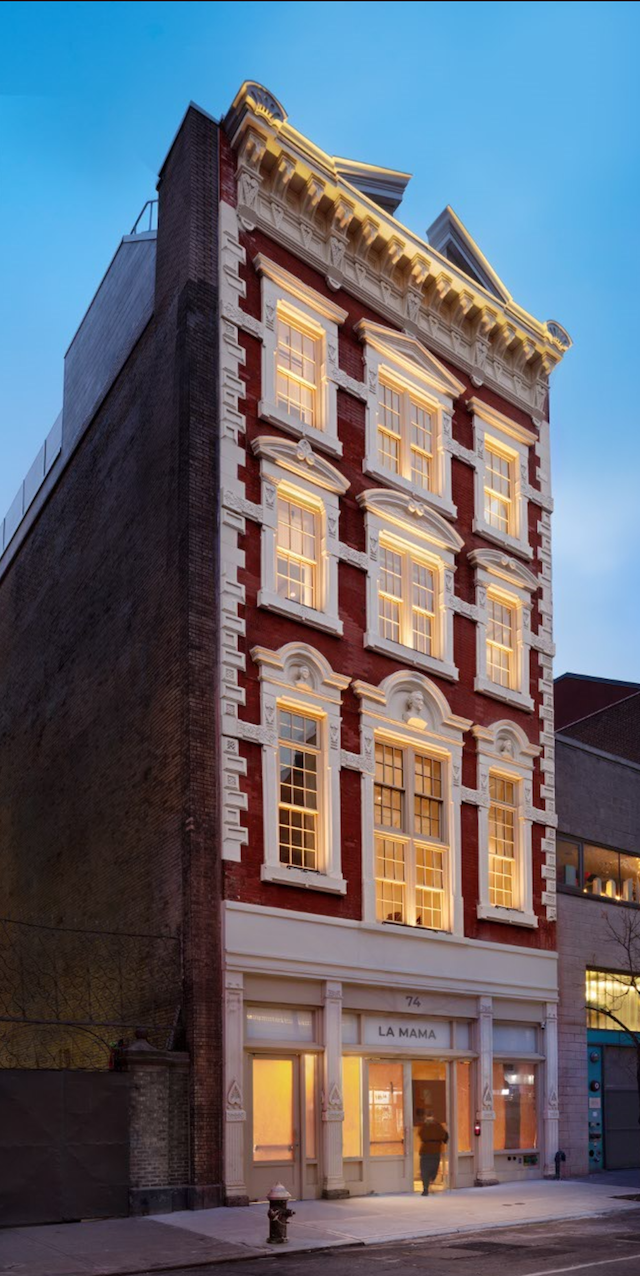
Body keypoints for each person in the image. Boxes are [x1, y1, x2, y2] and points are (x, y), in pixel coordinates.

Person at [417, 1111, 448, 1195]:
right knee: (434, 1168)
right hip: (435, 1150)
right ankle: (431, 1180)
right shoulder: (438, 1125)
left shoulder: (423, 1126)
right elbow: (445, 1136)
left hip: (425, 1151)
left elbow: (420, 1134)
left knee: (424, 1170)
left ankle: (425, 1187)